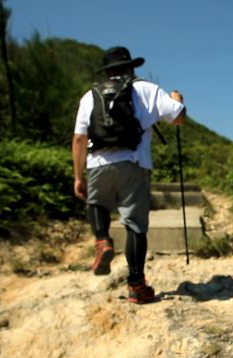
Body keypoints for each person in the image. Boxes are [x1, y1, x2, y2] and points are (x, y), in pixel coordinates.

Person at [72, 46, 186, 304]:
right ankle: (136, 285)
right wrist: (177, 100)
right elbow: (178, 118)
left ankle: (102, 240)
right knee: (134, 225)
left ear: (107, 71)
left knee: (97, 202)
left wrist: (78, 176)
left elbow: (80, 138)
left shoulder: (90, 96)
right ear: (131, 68)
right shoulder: (145, 89)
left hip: (97, 163)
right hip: (134, 163)